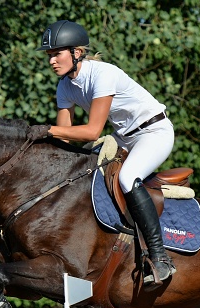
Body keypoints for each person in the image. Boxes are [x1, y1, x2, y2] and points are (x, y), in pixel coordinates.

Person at [29, 19, 176, 289]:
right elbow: (64, 135)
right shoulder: (65, 86)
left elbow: (92, 130)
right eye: (49, 55)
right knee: (84, 172)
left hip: (154, 132)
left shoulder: (103, 74)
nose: (51, 61)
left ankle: (160, 257)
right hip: (124, 137)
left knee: (127, 178)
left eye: (57, 54)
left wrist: (46, 130)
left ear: (77, 52)